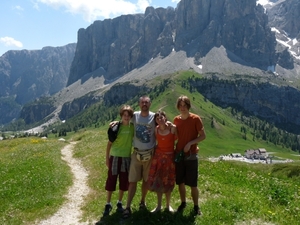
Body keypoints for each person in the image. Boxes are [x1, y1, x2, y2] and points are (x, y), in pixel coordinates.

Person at [121, 96, 156, 219]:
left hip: (149, 154)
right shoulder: (134, 115)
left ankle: (142, 201)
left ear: (150, 104)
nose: (144, 104)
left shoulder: (154, 117)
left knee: (146, 181)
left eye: (146, 102)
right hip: (136, 154)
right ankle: (128, 207)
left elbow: (163, 123)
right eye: (142, 102)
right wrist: (116, 122)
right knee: (132, 181)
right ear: (139, 104)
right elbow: (124, 120)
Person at [173, 95, 206, 216]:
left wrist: (190, 143)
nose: (183, 108)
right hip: (179, 155)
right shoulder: (176, 120)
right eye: (180, 106)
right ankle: (183, 203)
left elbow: (203, 136)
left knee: (193, 183)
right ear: (178, 107)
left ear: (188, 106)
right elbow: (175, 136)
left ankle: (196, 206)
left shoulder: (195, 119)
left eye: (185, 105)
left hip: (191, 155)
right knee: (180, 181)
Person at [102, 105, 134, 218]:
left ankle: (119, 202)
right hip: (114, 156)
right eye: (124, 115)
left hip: (126, 157)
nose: (126, 117)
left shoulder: (132, 127)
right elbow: (109, 143)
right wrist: (107, 158)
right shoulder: (116, 127)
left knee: (124, 181)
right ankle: (108, 203)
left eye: (128, 115)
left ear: (131, 117)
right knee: (111, 180)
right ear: (121, 116)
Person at [147, 111, 177, 213]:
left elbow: (177, 138)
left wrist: (173, 126)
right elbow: (156, 141)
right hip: (158, 158)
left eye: (161, 117)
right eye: (157, 119)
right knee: (158, 181)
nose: (160, 120)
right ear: (156, 121)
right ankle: (159, 206)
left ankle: (168, 206)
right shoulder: (156, 129)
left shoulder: (172, 128)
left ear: (165, 118)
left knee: (168, 181)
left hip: (169, 158)